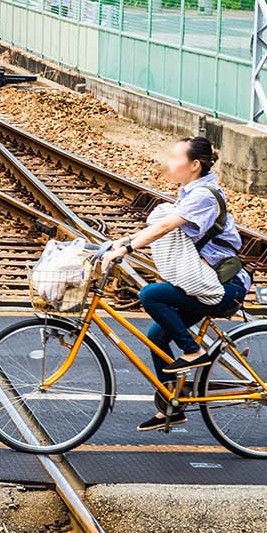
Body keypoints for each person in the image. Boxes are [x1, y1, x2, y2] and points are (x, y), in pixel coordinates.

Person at [100, 137, 251, 432]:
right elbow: (160, 226)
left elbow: (167, 226)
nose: (169, 163)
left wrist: (128, 249)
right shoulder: (190, 193)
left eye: (175, 157)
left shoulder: (203, 196)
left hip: (224, 286)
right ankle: (174, 404)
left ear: (194, 165)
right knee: (157, 335)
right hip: (205, 282)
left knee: (151, 294)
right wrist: (123, 241)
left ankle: (193, 352)